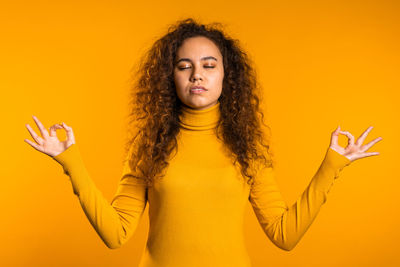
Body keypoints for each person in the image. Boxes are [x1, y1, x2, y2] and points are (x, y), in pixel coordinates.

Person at [24, 18, 383, 267]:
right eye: (184, 66)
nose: (197, 74)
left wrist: (332, 165)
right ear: (171, 77)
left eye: (209, 65)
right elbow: (117, 234)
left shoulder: (248, 148)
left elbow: (283, 235)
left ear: (227, 76)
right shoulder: (148, 147)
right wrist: (70, 161)